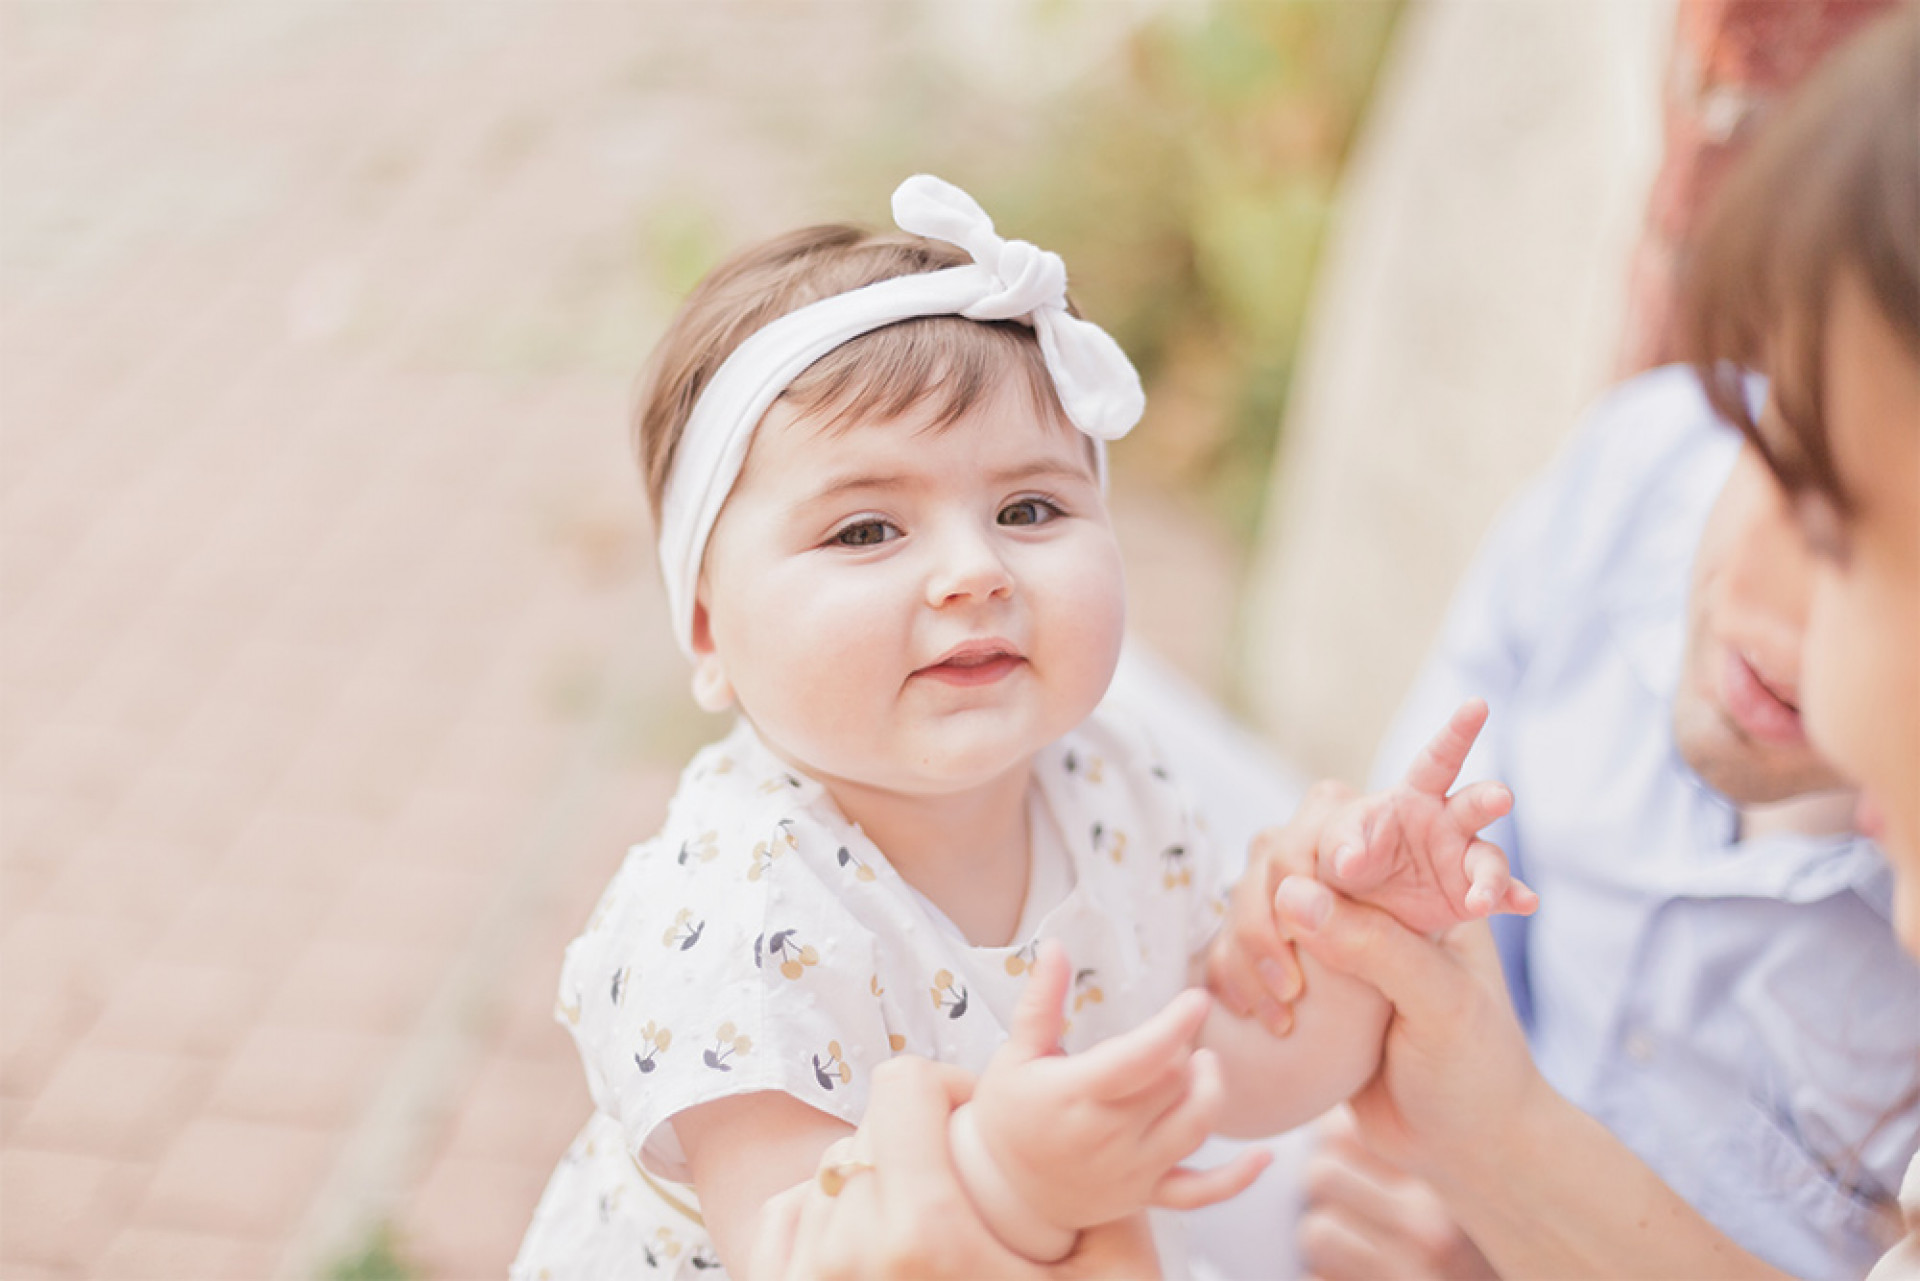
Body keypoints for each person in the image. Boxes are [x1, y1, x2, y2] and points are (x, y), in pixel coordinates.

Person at [511, 174, 1532, 1279]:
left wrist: (1356, 943)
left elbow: (1236, 1072)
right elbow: (798, 1252)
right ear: (709, 632)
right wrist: (1000, 1180)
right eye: (865, 529)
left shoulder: (1115, 785)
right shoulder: (728, 916)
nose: (973, 571)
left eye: (1029, 510)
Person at [1245, 7, 1920, 1278]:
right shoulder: (1640, 475)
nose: (1769, 599)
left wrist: (1513, 1208)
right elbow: (1399, 950)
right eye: (1768, 439)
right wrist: (1323, 939)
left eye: (1850, 545)